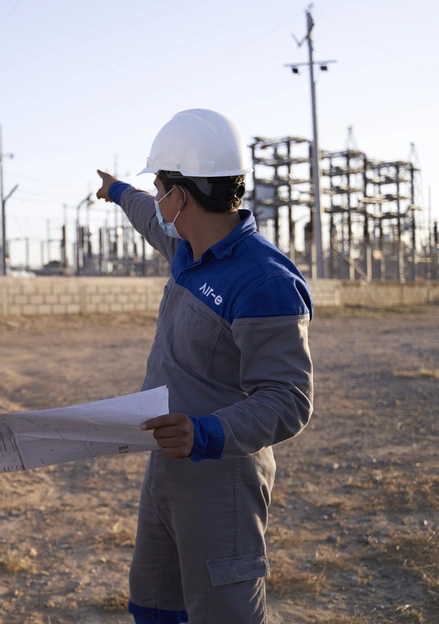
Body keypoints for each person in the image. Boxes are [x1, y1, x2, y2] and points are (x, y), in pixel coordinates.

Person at [95, 109, 313, 623]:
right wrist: (118, 190)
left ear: (183, 195)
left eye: (160, 185)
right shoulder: (187, 248)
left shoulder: (264, 281)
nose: (158, 196)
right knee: (152, 605)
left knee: (224, 615)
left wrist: (206, 432)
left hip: (221, 476)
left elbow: (289, 399)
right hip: (167, 466)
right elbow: (149, 214)